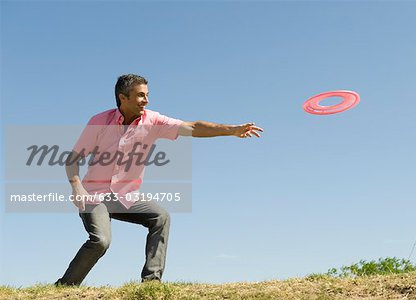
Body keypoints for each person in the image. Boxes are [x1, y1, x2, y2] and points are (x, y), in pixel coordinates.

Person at [55, 74, 263, 286]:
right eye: (140, 95)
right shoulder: (99, 122)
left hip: (125, 196)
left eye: (147, 95)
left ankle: (151, 282)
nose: (146, 100)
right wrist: (76, 186)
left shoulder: (153, 121)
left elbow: (193, 127)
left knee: (160, 217)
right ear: (122, 98)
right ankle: (65, 286)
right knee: (101, 241)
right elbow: (73, 159)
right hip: (94, 195)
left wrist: (231, 130)